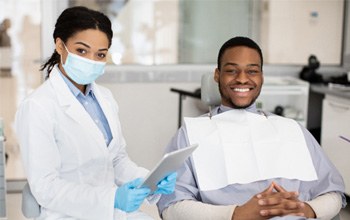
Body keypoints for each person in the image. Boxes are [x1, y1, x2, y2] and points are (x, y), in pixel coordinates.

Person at [157, 36, 346, 220]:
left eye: (252, 71)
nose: (242, 79)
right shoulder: (191, 134)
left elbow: (334, 195)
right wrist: (234, 215)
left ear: (261, 77)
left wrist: (308, 209)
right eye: (231, 70)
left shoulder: (292, 130)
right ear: (217, 75)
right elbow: (171, 208)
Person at [15, 6, 176, 220]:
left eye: (100, 54)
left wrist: (149, 180)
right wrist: (111, 199)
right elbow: (46, 188)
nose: (91, 60)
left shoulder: (105, 98)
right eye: (82, 51)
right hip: (67, 214)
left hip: (109, 213)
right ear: (59, 45)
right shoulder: (38, 106)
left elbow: (117, 159)